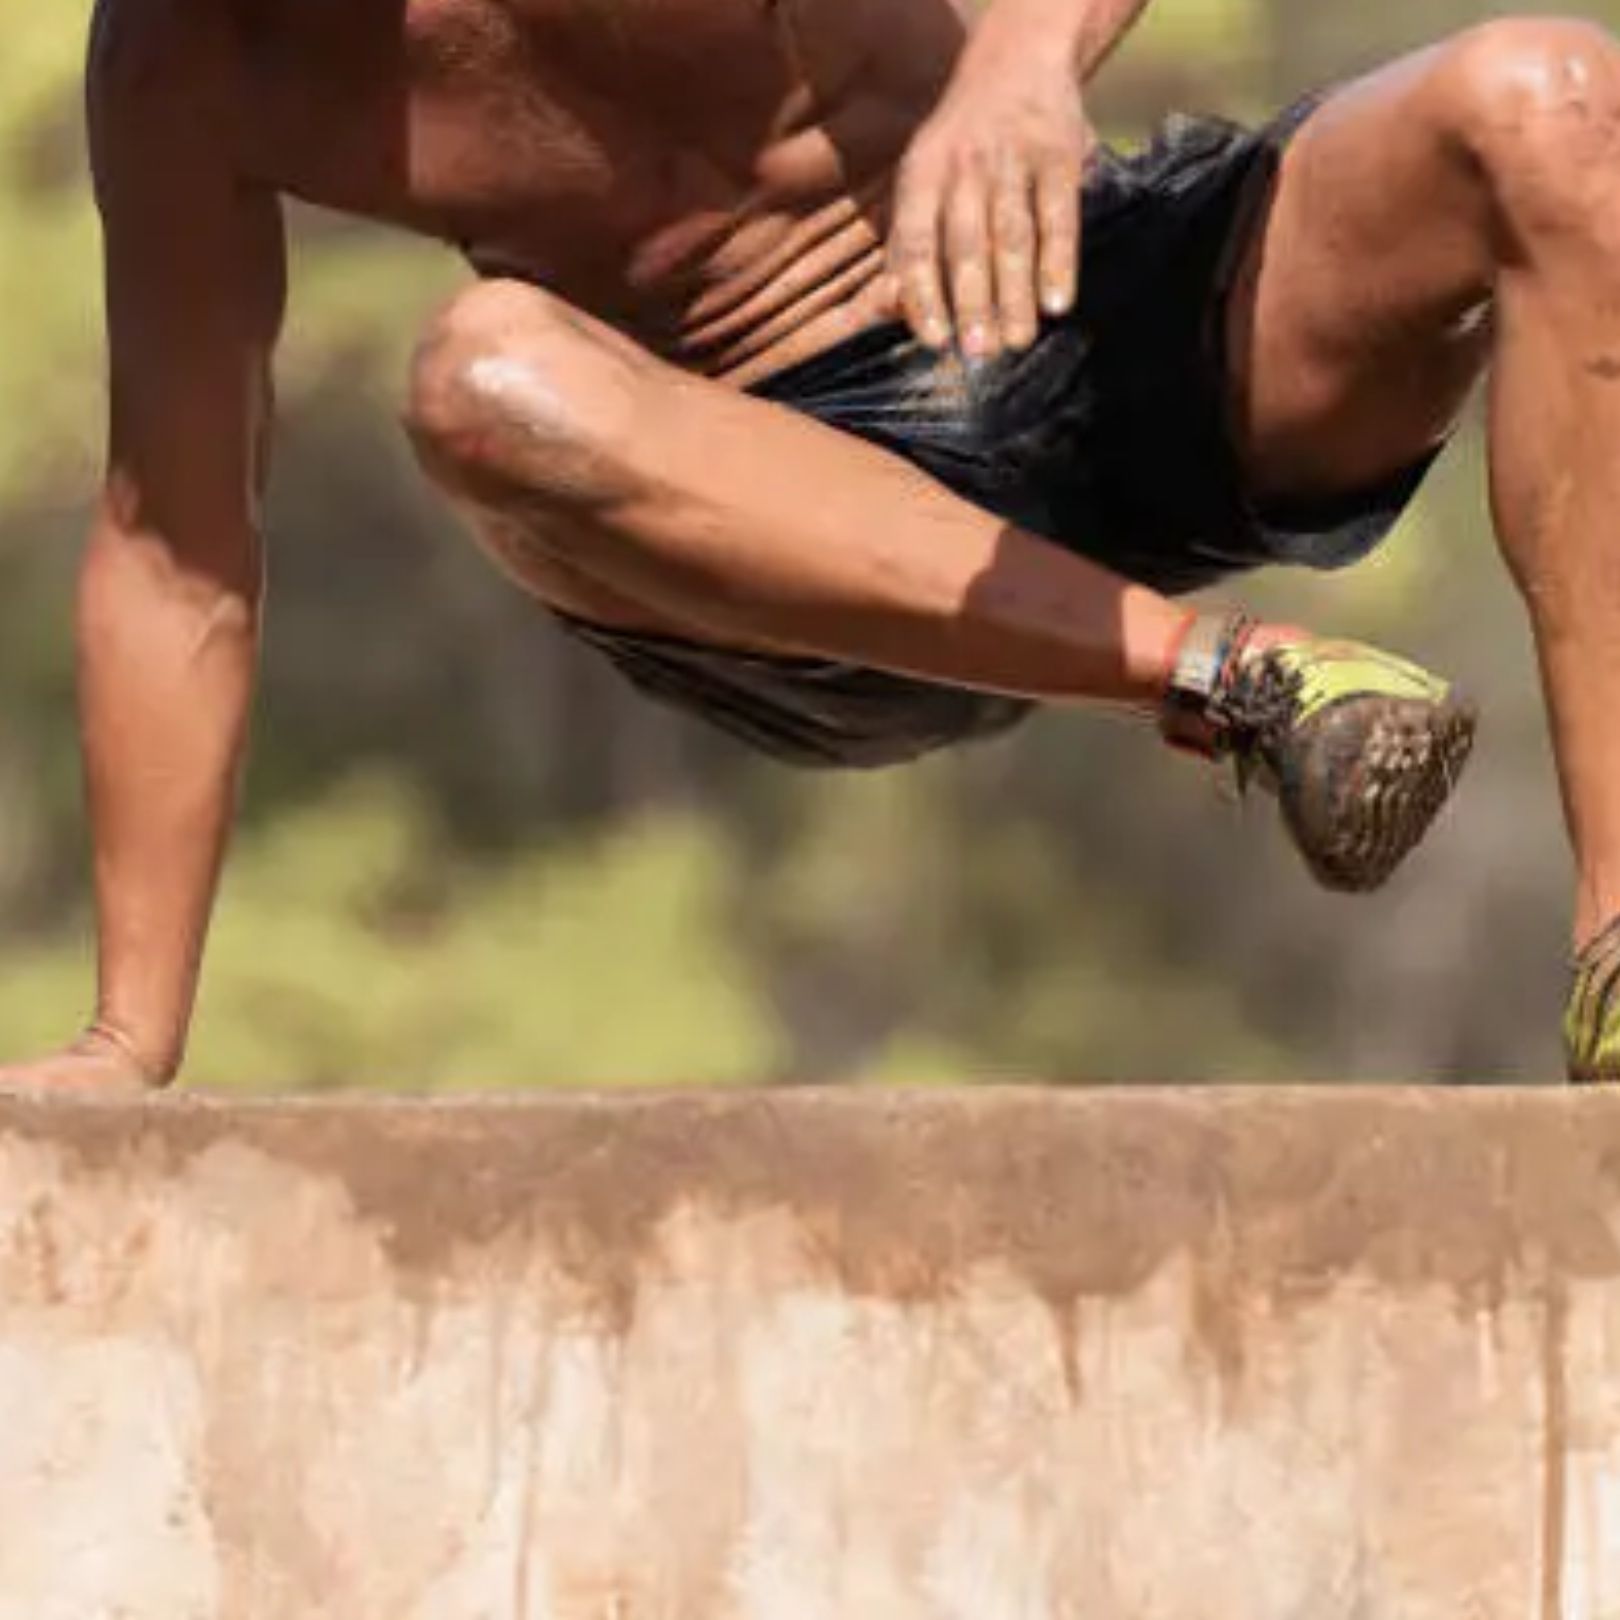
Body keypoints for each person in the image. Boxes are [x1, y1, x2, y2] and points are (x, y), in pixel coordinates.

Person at [10, 0, 1620, 1090]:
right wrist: (126, 1047)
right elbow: (174, 543)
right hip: (788, 536)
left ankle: (1615, 944)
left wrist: (1022, 60)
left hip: (1088, 299)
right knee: (482, 380)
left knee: (1541, 104)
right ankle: (1238, 684)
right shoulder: (189, 63)